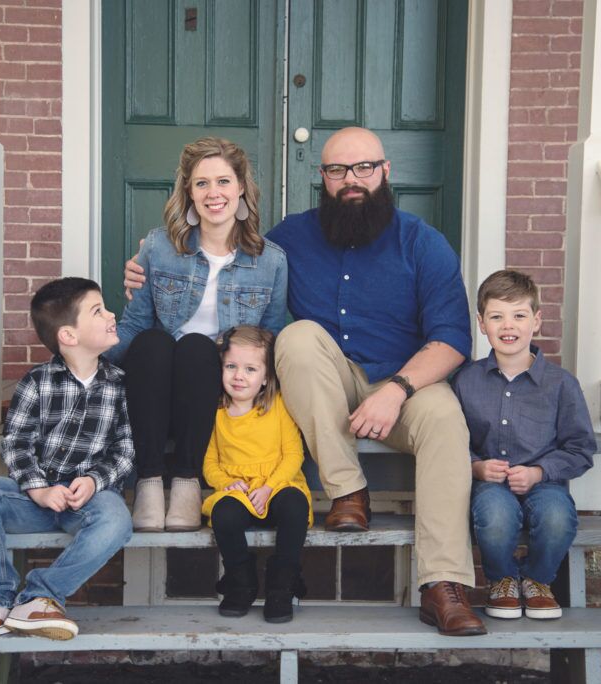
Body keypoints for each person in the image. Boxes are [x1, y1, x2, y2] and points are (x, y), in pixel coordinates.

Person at [126, 126, 485, 637]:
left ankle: (443, 584)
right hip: (326, 386)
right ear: (323, 178)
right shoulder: (290, 238)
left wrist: (396, 390)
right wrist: (148, 262)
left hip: (404, 384)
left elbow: (451, 340)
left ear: (386, 171)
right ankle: (348, 492)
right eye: (338, 170)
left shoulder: (423, 243)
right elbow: (226, 247)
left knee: (447, 418)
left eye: (363, 167)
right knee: (296, 337)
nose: (351, 180)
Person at [106, 137, 288, 534]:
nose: (213, 193)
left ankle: (187, 482)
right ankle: (150, 481)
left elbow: (270, 337)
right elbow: (136, 323)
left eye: (223, 182)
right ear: (188, 192)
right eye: (201, 183)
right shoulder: (159, 246)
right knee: (153, 342)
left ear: (241, 188)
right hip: (156, 390)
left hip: (217, 393)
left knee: (196, 348)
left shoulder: (270, 261)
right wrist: (88, 360)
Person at [0, 277, 135, 641]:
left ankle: (41, 597)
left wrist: (95, 480)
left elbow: (125, 448)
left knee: (117, 520)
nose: (111, 314)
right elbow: (17, 443)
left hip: (87, 501)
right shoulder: (37, 382)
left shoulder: (119, 384)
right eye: (98, 311)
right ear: (68, 336)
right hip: (35, 501)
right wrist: (37, 488)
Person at [452, 270, 595, 620]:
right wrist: (476, 466)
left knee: (557, 517)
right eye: (496, 316)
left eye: (519, 315)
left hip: (544, 483)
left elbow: (580, 448)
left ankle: (537, 580)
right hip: (490, 484)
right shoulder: (465, 381)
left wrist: (538, 472)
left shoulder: (561, 384)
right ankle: (501, 581)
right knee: (496, 516)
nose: (508, 326)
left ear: (536, 321)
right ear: (481, 323)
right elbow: (452, 440)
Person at [203, 325, 311, 623]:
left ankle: (282, 585)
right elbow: (210, 463)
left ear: (265, 378)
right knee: (224, 515)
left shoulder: (278, 408)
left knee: (294, 506)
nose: (239, 376)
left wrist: (270, 487)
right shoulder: (217, 413)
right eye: (231, 366)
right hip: (239, 491)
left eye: (250, 369)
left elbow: (293, 455)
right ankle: (240, 581)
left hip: (276, 486)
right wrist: (228, 484)